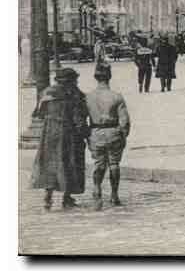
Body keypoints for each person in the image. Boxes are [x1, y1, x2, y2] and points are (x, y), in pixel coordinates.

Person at [31, 68, 88, 210]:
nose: (77, 82)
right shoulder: (74, 94)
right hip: (68, 133)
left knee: (50, 164)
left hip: (49, 133)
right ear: (71, 81)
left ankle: (48, 196)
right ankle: (67, 197)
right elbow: (78, 118)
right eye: (75, 80)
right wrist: (85, 133)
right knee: (70, 162)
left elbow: (38, 113)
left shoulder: (47, 93)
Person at [85, 62, 130, 210]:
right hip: (113, 133)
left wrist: (88, 136)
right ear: (109, 76)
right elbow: (124, 121)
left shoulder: (88, 97)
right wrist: (123, 135)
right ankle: (114, 195)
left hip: (95, 133)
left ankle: (97, 189)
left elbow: (82, 118)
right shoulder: (116, 97)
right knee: (114, 164)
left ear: (95, 77)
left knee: (99, 164)